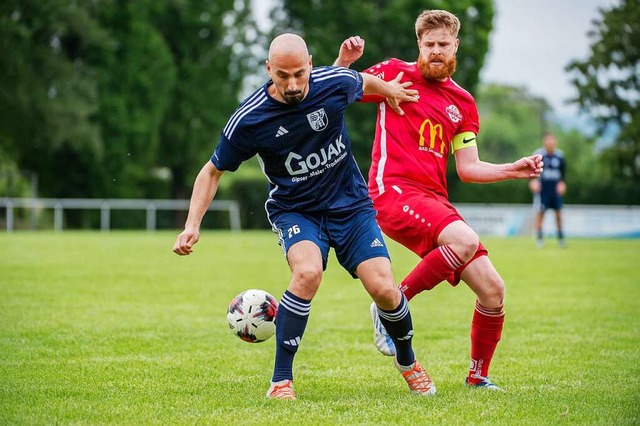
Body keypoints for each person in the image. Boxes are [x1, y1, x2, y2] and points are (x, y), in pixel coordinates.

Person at [173, 33, 436, 400]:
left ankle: (408, 363)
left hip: (351, 206)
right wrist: (192, 226)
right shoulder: (249, 120)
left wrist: (389, 90)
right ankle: (281, 381)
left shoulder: (333, 82)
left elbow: (361, 81)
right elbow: (212, 171)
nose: (293, 84)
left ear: (311, 64)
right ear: (268, 70)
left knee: (384, 289)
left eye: (299, 73)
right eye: (282, 76)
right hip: (296, 210)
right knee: (307, 272)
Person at [334, 10, 543, 391]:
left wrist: (513, 170)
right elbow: (337, 92)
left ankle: (478, 378)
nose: (434, 51)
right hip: (392, 191)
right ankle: (391, 309)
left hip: (434, 200)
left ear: (454, 46)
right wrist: (346, 64)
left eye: (442, 45)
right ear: (419, 45)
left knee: (493, 290)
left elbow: (468, 167)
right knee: (462, 241)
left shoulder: (462, 103)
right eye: (428, 44)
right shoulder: (395, 72)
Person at [529, 132, 566, 248]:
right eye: (547, 140)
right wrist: (532, 182)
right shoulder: (539, 155)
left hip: (555, 191)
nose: (550, 142)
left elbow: (563, 175)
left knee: (559, 214)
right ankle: (539, 239)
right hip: (542, 191)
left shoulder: (560, 156)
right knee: (540, 214)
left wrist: (562, 184)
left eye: (552, 140)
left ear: (555, 141)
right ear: (544, 141)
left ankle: (561, 239)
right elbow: (531, 172)